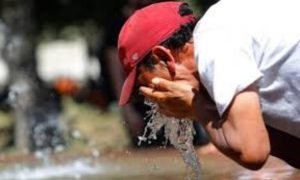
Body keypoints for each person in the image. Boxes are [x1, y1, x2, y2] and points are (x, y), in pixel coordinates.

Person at [117, 1, 300, 170]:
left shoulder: (213, 40)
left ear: (164, 58)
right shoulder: (229, 32)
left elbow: (254, 153)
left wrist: (198, 109)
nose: (154, 99)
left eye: (148, 86)